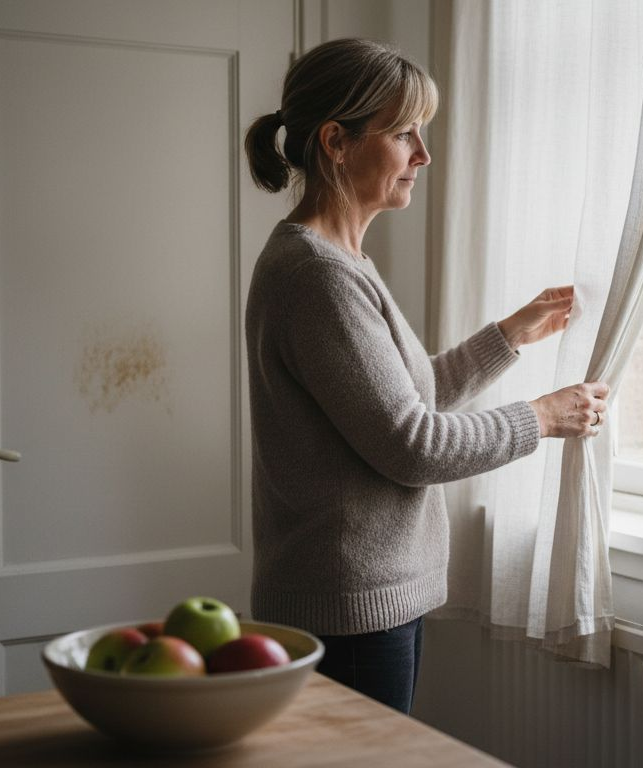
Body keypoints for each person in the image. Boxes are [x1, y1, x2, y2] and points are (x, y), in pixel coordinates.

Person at [242, 38, 608, 714]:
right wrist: (544, 417)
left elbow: (398, 403)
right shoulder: (317, 275)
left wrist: (509, 336)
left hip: (365, 599)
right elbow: (412, 445)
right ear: (336, 142)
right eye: (405, 132)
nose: (423, 154)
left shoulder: (339, 261)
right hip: (347, 610)